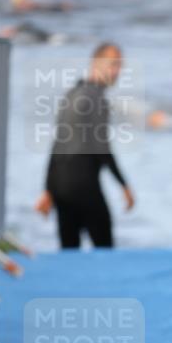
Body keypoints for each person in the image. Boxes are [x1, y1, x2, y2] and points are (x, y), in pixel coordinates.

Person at [35, 43, 135, 248]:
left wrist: (48, 189)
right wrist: (123, 185)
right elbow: (102, 148)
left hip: (61, 188)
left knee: (69, 255)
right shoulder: (96, 99)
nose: (117, 71)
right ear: (96, 64)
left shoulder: (71, 95)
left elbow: (57, 145)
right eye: (113, 64)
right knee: (105, 251)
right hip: (84, 185)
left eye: (120, 66)